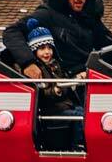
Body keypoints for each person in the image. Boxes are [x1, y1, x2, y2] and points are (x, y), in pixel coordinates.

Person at [1, 0, 112, 75]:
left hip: (88, 81)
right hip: (63, 86)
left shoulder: (90, 18)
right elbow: (12, 31)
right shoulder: (47, 14)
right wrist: (28, 63)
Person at [20, 19, 81, 150]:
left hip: (64, 106)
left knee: (84, 111)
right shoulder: (36, 70)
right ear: (34, 51)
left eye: (49, 48)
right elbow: (41, 93)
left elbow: (64, 80)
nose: (47, 52)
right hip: (51, 110)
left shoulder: (55, 65)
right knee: (78, 117)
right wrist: (56, 90)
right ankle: (77, 146)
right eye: (42, 48)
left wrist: (75, 78)